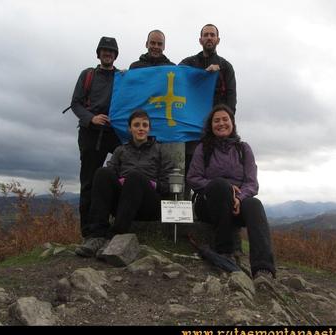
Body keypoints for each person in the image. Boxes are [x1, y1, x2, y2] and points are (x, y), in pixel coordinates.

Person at [186, 104, 276, 279]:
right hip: (209, 204)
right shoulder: (202, 149)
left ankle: (263, 267)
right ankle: (224, 251)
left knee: (254, 204)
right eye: (216, 120)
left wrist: (239, 198)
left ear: (232, 123)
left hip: (237, 204)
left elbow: (252, 183)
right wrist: (226, 188)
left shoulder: (243, 149)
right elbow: (193, 178)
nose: (221, 123)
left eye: (225, 119)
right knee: (220, 185)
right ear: (211, 126)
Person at [75, 110, 174, 257]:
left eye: (145, 125)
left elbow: (169, 186)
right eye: (136, 125)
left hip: (150, 205)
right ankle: (96, 236)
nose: (141, 128)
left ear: (149, 129)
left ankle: (114, 237)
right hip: (123, 203)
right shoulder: (120, 150)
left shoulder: (160, 150)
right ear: (130, 128)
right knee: (102, 172)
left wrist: (151, 184)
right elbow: (109, 176)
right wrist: (120, 181)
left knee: (135, 176)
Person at [70, 36, 122, 241]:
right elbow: (75, 104)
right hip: (91, 134)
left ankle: (112, 226)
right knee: (89, 183)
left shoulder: (122, 76)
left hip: (116, 134)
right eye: (104, 50)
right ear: (99, 53)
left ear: (115, 55)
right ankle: (88, 232)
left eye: (111, 51)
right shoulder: (87, 75)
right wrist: (91, 118)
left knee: (119, 179)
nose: (107, 53)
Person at [179, 24, 237, 185]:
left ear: (218, 40)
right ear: (200, 40)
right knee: (189, 172)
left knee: (213, 169)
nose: (209, 37)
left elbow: (231, 99)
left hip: (215, 129)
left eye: (212, 35)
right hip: (191, 129)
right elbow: (174, 79)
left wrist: (226, 124)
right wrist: (204, 74)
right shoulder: (188, 62)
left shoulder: (226, 67)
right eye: (206, 35)